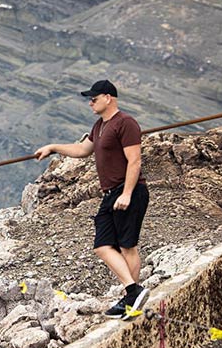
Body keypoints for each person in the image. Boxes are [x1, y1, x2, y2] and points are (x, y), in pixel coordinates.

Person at [34, 79, 150, 320]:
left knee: (127, 245)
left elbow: (135, 160)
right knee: (102, 245)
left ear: (109, 98)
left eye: (94, 98)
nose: (90, 102)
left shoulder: (125, 123)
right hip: (110, 193)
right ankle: (133, 292)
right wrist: (53, 147)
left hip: (128, 190)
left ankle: (132, 299)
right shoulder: (99, 126)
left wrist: (127, 193)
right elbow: (82, 150)